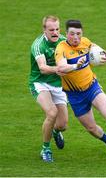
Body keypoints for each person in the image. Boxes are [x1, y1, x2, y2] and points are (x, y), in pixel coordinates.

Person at [55, 19, 106, 157]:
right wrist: (75, 66)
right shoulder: (61, 48)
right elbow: (61, 67)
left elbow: (98, 49)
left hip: (92, 87)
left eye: (78, 34)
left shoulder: (85, 42)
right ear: (66, 34)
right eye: (72, 34)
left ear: (82, 33)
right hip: (75, 95)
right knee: (91, 128)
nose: (76, 38)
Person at [29, 15, 68, 162]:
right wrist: (59, 69)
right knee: (52, 113)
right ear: (44, 30)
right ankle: (46, 149)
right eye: (51, 29)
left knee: (63, 125)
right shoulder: (38, 45)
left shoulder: (64, 41)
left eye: (57, 29)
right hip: (40, 82)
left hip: (58, 85)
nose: (55, 32)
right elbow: (43, 68)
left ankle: (55, 131)